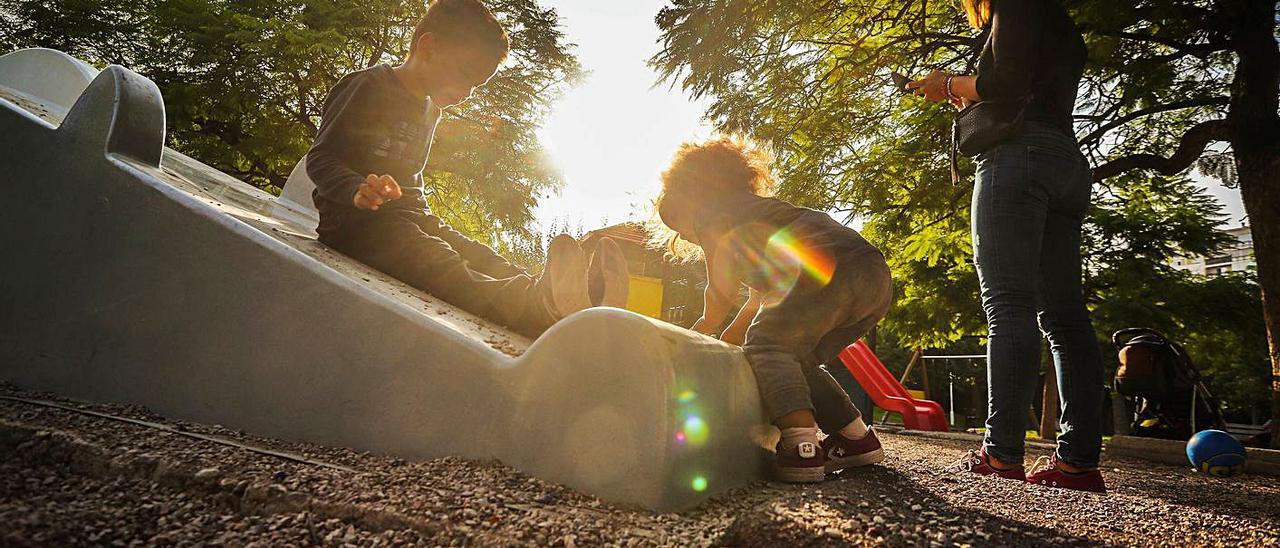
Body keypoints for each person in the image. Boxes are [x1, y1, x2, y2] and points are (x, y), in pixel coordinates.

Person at [305, 0, 628, 337]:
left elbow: (411, 183)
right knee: (440, 259)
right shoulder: (368, 86)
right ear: (428, 48)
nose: (466, 93)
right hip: (355, 224)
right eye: (464, 75)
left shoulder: (431, 111)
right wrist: (356, 188)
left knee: (474, 252)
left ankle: (565, 296)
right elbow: (321, 157)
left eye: (475, 86)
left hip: (406, 217)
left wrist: (430, 222)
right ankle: (534, 308)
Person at [908, 0, 1105, 492]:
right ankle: (1078, 463)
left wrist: (948, 85)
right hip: (1066, 160)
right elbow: (1028, 86)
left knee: (1009, 305)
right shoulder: (1060, 21)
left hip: (1018, 158)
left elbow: (1009, 84)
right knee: (1065, 315)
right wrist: (975, 94)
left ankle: (1001, 454)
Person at [654, 137, 893, 483]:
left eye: (682, 226)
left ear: (695, 195)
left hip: (827, 266)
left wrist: (701, 330)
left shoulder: (714, 215)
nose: (690, 238)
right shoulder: (759, 219)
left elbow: (719, 292)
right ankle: (857, 438)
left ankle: (800, 447)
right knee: (793, 359)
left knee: (770, 346)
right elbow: (753, 307)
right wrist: (727, 346)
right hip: (873, 277)